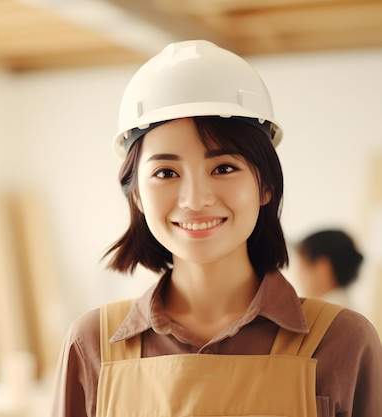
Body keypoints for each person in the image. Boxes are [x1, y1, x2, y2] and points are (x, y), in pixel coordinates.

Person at [50, 40, 382, 417]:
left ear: (266, 186)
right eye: (166, 173)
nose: (195, 199)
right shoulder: (90, 344)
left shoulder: (342, 341)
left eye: (223, 167)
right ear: (138, 196)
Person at [293, 229, 364, 308]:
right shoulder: (347, 310)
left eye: (302, 264)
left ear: (322, 268)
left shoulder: (324, 315)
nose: (297, 273)